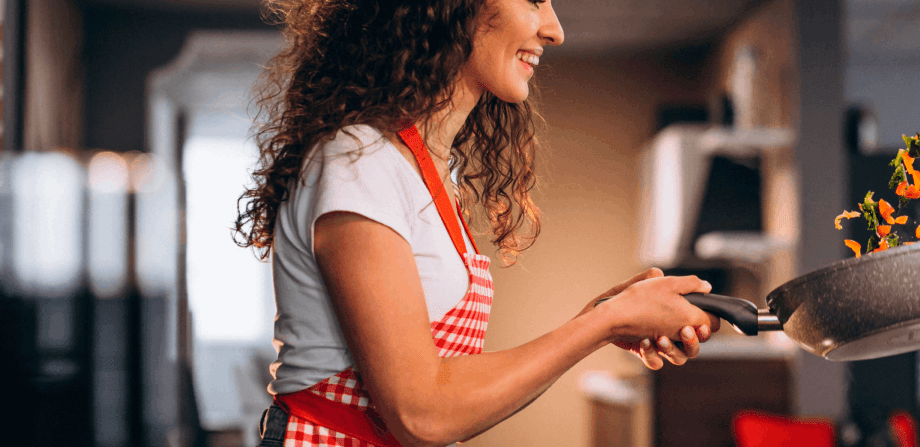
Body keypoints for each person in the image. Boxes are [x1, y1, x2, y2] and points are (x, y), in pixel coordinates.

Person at [234, 1, 720, 446]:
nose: (555, 30)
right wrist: (603, 322)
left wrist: (609, 318)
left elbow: (448, 390)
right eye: (533, 0)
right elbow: (421, 414)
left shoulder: (425, 168)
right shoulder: (359, 160)